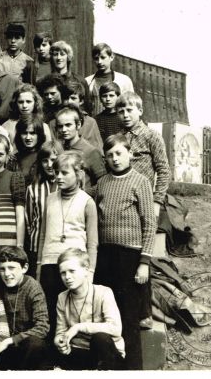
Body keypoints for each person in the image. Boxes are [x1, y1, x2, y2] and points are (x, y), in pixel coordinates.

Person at [94, 134, 156, 370]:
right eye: (109, 155)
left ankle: (133, 370)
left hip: (130, 258)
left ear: (130, 153)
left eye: (119, 153)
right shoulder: (102, 183)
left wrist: (144, 262)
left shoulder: (140, 181)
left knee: (129, 319)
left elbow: (149, 223)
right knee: (107, 315)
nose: (115, 158)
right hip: (105, 257)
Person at [38, 151, 98, 346]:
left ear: (78, 174)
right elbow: (42, 234)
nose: (58, 177)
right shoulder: (50, 199)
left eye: (64, 173)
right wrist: (39, 265)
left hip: (74, 266)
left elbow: (92, 242)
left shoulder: (87, 202)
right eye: (56, 172)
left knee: (71, 312)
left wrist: (89, 271)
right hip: (49, 263)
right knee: (49, 310)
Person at [0, 247, 50, 370]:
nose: (6, 274)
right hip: (0, 343)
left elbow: (43, 327)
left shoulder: (33, 288)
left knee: (35, 343)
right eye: (2, 269)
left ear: (24, 268)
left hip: (24, 346)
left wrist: (10, 340)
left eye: (12, 268)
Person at [55, 248, 125, 370]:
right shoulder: (62, 297)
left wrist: (78, 327)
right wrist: (59, 341)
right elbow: (61, 331)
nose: (67, 277)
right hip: (78, 353)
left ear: (86, 270)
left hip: (105, 354)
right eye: (63, 273)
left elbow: (115, 329)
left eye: (72, 271)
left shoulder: (104, 292)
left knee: (100, 338)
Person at [116, 91, 171, 217]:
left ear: (140, 111)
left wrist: (157, 201)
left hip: (144, 198)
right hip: (121, 197)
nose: (125, 115)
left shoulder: (152, 136)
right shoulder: (117, 138)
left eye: (129, 110)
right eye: (121, 112)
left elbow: (164, 170)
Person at [24, 140, 63, 278]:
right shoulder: (33, 188)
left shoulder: (65, 186)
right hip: (36, 248)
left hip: (58, 247)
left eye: (53, 160)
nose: (49, 165)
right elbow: (28, 220)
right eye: (45, 161)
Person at [54, 105, 107, 197]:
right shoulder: (58, 149)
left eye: (68, 125)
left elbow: (103, 184)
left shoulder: (90, 151)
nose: (63, 130)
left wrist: (82, 195)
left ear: (78, 125)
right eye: (60, 126)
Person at [85, 43, 135, 116]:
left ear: (111, 57)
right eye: (96, 58)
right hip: (95, 122)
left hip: (118, 123)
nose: (99, 62)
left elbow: (131, 104)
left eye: (103, 57)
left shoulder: (124, 80)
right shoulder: (88, 81)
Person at [1, 84, 51, 149]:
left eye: (28, 102)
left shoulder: (44, 126)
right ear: (15, 103)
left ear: (35, 103)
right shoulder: (6, 126)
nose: (24, 106)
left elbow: (48, 151)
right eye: (21, 102)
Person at [61, 78, 104, 152]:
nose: (69, 102)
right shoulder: (53, 123)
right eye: (66, 98)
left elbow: (98, 151)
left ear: (81, 101)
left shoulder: (90, 122)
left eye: (73, 98)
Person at [49, 40, 91, 114]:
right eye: (55, 54)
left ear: (68, 57)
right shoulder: (46, 81)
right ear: (51, 57)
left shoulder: (80, 81)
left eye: (62, 54)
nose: (58, 58)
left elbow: (87, 107)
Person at [12, 115, 48, 183]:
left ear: (39, 135)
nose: (28, 137)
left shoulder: (45, 157)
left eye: (32, 133)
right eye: (24, 133)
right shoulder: (14, 159)